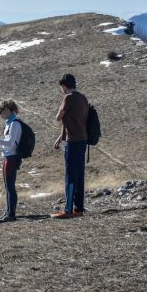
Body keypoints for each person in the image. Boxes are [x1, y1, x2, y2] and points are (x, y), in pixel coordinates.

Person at [51, 73, 90, 219]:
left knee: (70, 176)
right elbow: (76, 121)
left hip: (72, 142)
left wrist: (62, 106)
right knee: (79, 175)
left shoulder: (68, 98)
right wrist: (60, 138)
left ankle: (68, 210)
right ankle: (78, 208)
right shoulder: (83, 98)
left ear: (64, 86)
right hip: (82, 140)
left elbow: (58, 117)